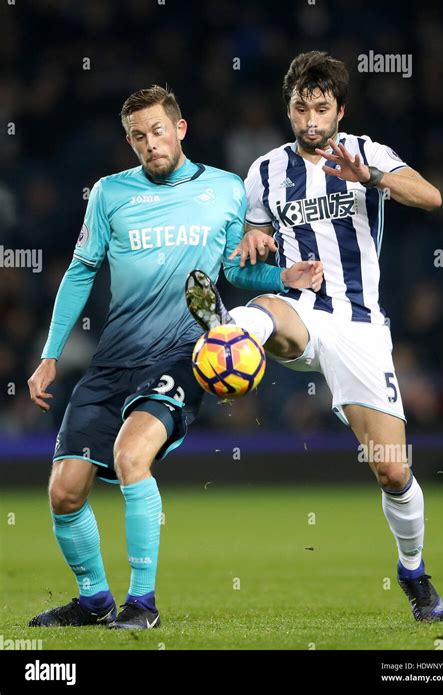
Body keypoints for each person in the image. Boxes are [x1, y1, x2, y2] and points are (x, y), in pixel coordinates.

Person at [27, 85, 323, 630]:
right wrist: (50, 355)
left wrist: (283, 276)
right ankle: (94, 602)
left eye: (157, 131)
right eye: (137, 136)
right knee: (65, 492)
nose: (149, 144)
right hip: (114, 358)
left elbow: (235, 272)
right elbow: (81, 270)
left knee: (130, 457)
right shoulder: (110, 195)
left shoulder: (225, 190)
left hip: (184, 355)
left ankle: (143, 605)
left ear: (180, 129)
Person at [185, 51, 443, 623]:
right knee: (263, 308)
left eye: (320, 108)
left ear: (339, 110)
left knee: (393, 470)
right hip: (300, 309)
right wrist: (257, 249)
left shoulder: (366, 151)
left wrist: (370, 178)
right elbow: (247, 257)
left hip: (358, 325)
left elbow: (431, 197)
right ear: (289, 108)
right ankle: (229, 334)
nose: (309, 119)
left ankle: (414, 572)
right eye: (300, 107)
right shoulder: (265, 172)